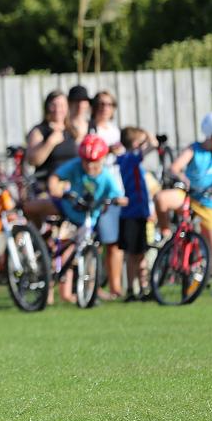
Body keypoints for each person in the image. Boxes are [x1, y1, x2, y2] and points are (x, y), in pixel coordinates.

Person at [47, 134, 126, 304]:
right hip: (69, 213)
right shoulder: (75, 166)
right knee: (64, 251)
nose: (90, 166)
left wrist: (119, 200)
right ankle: (57, 292)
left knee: (90, 252)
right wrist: (55, 189)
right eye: (86, 161)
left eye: (94, 162)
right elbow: (55, 177)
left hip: (89, 219)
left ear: (102, 159)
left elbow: (118, 195)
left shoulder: (106, 177)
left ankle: (90, 290)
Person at [153, 112, 212, 262]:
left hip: (207, 203)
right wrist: (183, 178)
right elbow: (174, 168)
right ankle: (165, 232)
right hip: (187, 195)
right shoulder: (194, 149)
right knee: (161, 198)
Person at [23, 90, 79, 227]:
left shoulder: (71, 130)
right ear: (47, 107)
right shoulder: (39, 131)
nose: (58, 109)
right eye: (54, 105)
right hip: (48, 187)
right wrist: (50, 142)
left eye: (62, 105)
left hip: (71, 186)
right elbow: (33, 161)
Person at [88, 91, 124, 298]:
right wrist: (106, 151)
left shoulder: (115, 131)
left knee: (114, 242)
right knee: (95, 242)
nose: (104, 108)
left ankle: (115, 286)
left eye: (109, 104)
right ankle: (92, 286)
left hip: (116, 189)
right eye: (101, 104)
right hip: (97, 191)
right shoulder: (91, 130)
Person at [116, 127, 159, 301]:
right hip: (132, 214)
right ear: (135, 143)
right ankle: (133, 289)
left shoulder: (125, 159)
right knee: (134, 254)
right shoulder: (130, 158)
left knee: (139, 253)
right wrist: (147, 135)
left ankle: (141, 287)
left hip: (138, 213)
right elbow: (154, 144)